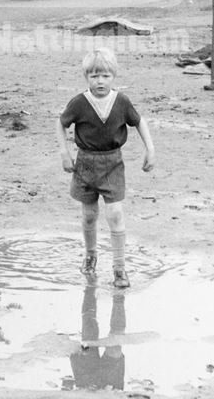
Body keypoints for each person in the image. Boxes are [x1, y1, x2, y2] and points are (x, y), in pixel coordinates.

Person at [56, 47, 154, 289]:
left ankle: (119, 268)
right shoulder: (79, 102)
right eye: (94, 76)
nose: (100, 81)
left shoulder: (121, 102)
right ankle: (90, 256)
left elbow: (139, 122)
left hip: (112, 163)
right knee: (89, 215)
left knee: (115, 214)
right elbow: (61, 124)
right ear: (86, 77)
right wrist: (64, 153)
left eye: (105, 76)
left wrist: (150, 149)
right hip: (85, 164)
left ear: (114, 76)